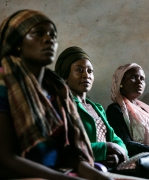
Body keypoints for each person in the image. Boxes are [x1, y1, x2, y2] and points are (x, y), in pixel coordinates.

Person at [0, 9, 115, 180]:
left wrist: (95, 175)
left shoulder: (57, 89)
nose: (49, 39)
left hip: (58, 172)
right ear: (18, 42)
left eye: (53, 35)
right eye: (38, 33)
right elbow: (5, 160)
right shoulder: (4, 83)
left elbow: (68, 152)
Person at [54, 46, 128, 171]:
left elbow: (115, 138)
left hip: (107, 167)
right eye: (79, 70)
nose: (86, 75)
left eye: (90, 71)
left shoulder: (96, 108)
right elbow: (65, 148)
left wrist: (119, 153)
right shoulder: (63, 105)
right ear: (65, 76)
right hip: (82, 168)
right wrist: (105, 148)